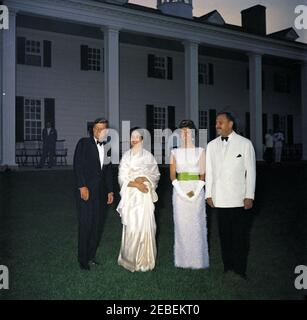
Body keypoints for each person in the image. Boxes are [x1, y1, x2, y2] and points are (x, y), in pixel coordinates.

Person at [205, 112, 256, 279]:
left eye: (220, 122)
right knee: (224, 235)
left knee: (240, 236)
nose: (217, 125)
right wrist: (209, 194)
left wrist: (250, 195)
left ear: (230, 124)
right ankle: (228, 266)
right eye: (216, 122)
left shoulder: (245, 144)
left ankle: (241, 269)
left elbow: (251, 172)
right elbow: (210, 172)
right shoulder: (211, 145)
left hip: (238, 198)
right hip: (220, 199)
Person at [117, 128, 160, 272]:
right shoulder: (126, 156)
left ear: (142, 139)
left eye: (137, 137)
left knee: (147, 225)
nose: (134, 139)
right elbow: (121, 177)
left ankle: (146, 260)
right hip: (131, 194)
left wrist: (145, 179)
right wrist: (136, 184)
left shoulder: (148, 156)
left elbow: (155, 174)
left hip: (145, 196)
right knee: (133, 224)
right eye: (132, 137)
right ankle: (129, 259)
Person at [73, 118, 114, 271]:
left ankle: (91, 256)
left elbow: (108, 170)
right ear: (92, 130)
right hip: (86, 192)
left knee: (96, 227)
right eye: (96, 128)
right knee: (86, 225)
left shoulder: (108, 147)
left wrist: (110, 190)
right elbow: (78, 165)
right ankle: (82, 260)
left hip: (101, 194)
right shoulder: (83, 143)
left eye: (102, 129)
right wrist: (82, 186)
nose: (98, 131)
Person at [170, 120, 209, 269]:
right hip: (179, 192)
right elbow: (172, 175)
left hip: (196, 191)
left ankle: (198, 261)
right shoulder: (174, 152)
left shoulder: (200, 152)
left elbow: (202, 175)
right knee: (181, 225)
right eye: (182, 131)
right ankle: (182, 261)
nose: (185, 134)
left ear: (193, 134)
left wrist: (195, 192)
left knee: (196, 225)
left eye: (188, 131)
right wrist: (180, 192)